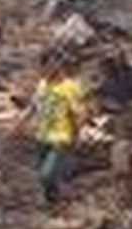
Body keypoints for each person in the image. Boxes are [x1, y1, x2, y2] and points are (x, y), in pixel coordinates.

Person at [15, 50, 88, 207]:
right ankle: (54, 203)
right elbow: (33, 106)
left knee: (46, 175)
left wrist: (76, 137)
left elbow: (78, 115)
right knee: (44, 177)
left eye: (49, 66)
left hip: (61, 138)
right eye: (42, 67)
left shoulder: (70, 87)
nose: (44, 71)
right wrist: (19, 124)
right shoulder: (42, 85)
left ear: (57, 65)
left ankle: (64, 195)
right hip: (42, 137)